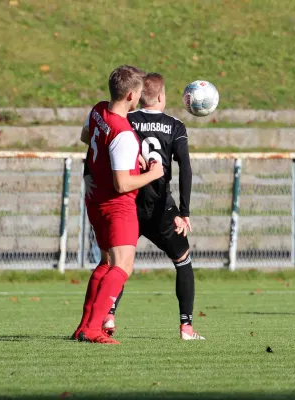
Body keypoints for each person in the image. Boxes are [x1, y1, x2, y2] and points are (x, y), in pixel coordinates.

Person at [86, 73, 205, 340]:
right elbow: (185, 168)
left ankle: (109, 315)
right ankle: (186, 326)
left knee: (117, 263)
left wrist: (88, 175)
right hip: (160, 207)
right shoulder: (175, 125)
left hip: (129, 204)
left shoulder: (126, 119)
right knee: (182, 260)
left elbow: (98, 146)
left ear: (140, 96)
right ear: (161, 96)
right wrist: (184, 211)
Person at [72, 65, 164, 345]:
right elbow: (122, 184)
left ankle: (84, 326)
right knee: (123, 266)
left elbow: (87, 138)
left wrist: (127, 157)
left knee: (106, 262)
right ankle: (93, 329)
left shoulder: (98, 110)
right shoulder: (123, 131)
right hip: (117, 205)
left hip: (95, 200)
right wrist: (152, 173)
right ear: (131, 96)